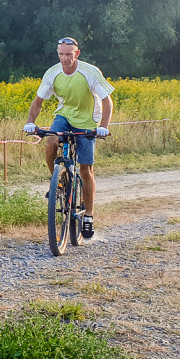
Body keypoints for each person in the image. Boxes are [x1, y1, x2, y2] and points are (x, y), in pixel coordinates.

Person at [23, 37, 114, 239]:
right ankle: (57, 183)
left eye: (68, 54)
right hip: (64, 115)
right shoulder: (53, 73)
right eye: (61, 54)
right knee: (50, 142)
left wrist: (103, 127)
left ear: (77, 54)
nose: (65, 58)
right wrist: (30, 121)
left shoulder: (90, 72)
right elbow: (38, 101)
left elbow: (108, 101)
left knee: (85, 170)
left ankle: (88, 216)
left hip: (88, 120)